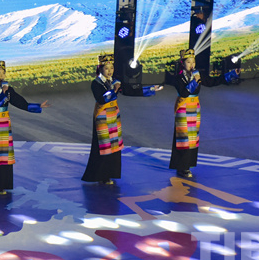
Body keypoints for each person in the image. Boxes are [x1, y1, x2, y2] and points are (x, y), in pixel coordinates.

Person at [82, 54, 160, 185]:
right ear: (100, 69)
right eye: (106, 68)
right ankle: (102, 175)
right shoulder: (96, 83)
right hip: (102, 117)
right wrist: (114, 90)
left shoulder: (114, 81)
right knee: (103, 147)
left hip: (114, 116)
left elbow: (129, 90)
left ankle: (111, 173)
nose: (110, 71)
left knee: (114, 146)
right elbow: (101, 99)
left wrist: (150, 89)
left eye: (111, 68)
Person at [0, 60, 49, 194]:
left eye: (3, 73)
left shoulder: (9, 90)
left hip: (4, 125)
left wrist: (38, 106)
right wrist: (3, 94)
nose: (2, 76)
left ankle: (2, 185)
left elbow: (20, 102)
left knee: (3, 156)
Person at [169, 48, 201, 178]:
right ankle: (181, 166)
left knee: (192, 138)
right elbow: (184, 92)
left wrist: (231, 75)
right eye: (188, 62)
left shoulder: (197, 75)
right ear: (183, 63)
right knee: (183, 137)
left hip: (194, 107)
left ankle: (189, 164)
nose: (191, 65)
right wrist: (194, 82)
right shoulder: (179, 78)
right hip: (183, 106)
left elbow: (211, 81)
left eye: (193, 62)